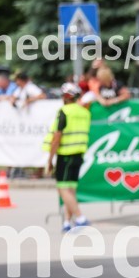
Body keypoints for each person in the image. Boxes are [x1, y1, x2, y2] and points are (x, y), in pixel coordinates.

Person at [43, 83, 91, 232]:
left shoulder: (64, 111)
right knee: (71, 189)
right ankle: (67, 222)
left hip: (65, 154)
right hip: (79, 153)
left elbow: (57, 136)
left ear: (66, 96)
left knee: (63, 188)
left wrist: (50, 159)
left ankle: (80, 218)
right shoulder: (84, 112)